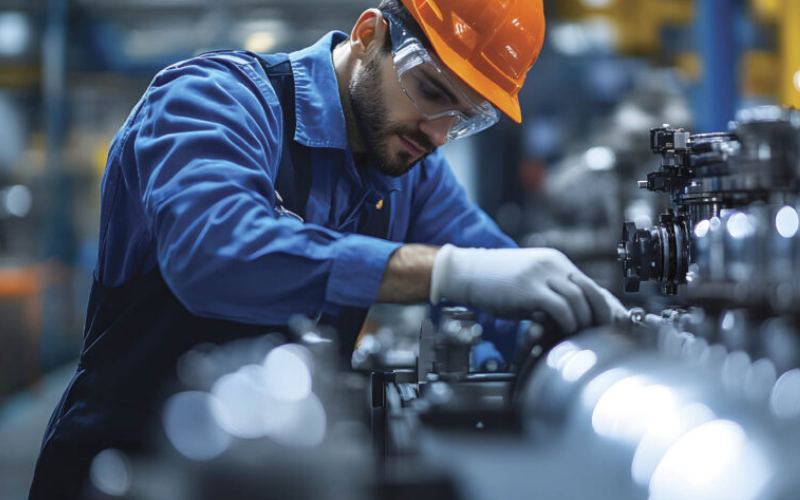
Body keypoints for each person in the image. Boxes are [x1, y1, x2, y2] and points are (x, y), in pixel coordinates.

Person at [30, 0, 625, 497]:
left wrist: (588, 335)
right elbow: (214, 252)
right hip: (128, 471)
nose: (437, 133)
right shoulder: (213, 101)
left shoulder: (406, 171)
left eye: (465, 119)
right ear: (370, 35)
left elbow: (496, 277)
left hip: (288, 473)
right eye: (431, 91)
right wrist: (446, 271)